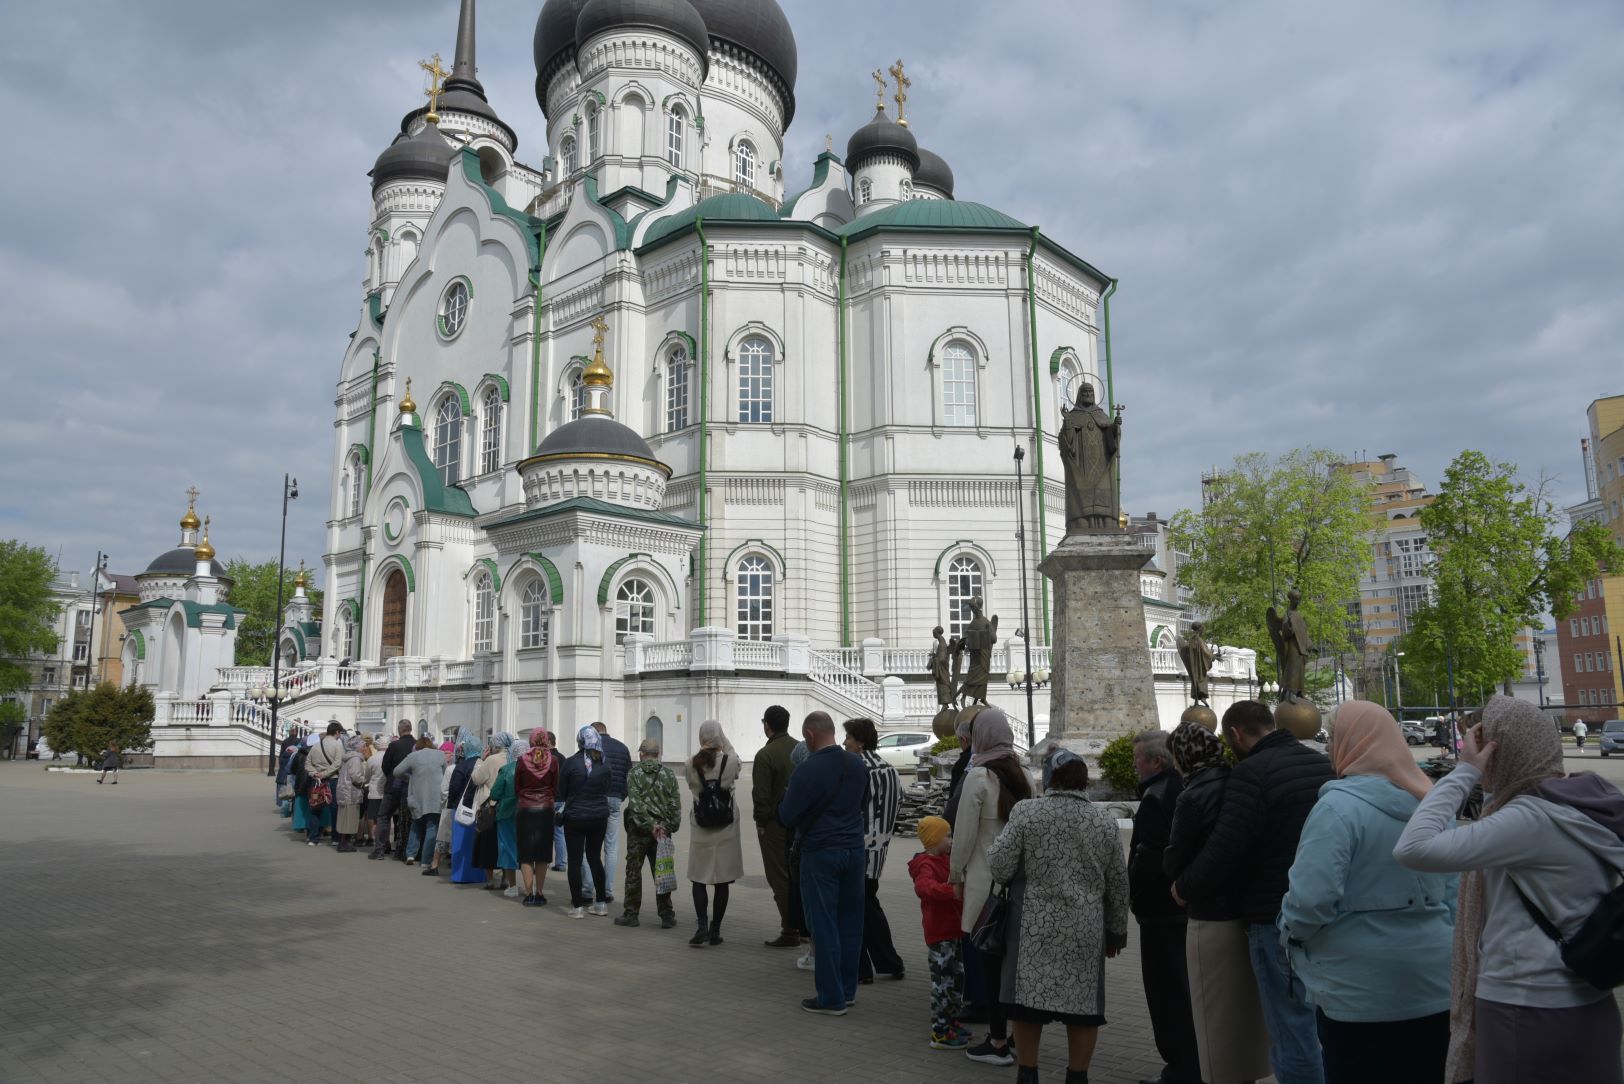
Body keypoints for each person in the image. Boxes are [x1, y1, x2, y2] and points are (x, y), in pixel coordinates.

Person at [1395, 694, 1624, 1084]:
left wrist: (1465, 771)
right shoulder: (1586, 801)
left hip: (1526, 1003)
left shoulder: (1529, 819)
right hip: (1590, 1000)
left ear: (1498, 751)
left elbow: (1412, 848)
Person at [1279, 701, 1455, 1084]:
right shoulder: (1433, 804)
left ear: (1352, 743)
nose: (1329, 747)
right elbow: (1455, 895)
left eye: (1333, 737)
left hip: (1358, 993)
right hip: (1435, 983)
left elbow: (1311, 900)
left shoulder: (1337, 809)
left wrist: (1289, 933)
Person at [1171, 700, 1333, 1084]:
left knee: (1291, 1028)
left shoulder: (1252, 772)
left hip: (1275, 916)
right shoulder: (1321, 764)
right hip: (1326, 912)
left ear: (1235, 734)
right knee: (1322, 1022)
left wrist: (1183, 888)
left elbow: (1226, 846)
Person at [987, 755, 1128, 1084]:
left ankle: (1028, 1074)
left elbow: (1000, 867)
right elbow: (1119, 883)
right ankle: (1077, 1077)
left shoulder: (1026, 812)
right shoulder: (1103, 821)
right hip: (1085, 929)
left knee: (1027, 1005)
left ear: (1050, 777)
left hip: (1032, 928)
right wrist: (1116, 931)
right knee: (1083, 1009)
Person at [1163, 722, 1272, 1084]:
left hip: (1210, 913)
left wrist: (1176, 876)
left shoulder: (1193, 795)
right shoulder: (1240, 782)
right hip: (1249, 907)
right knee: (1246, 1011)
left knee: (1214, 1017)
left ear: (1183, 756)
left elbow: (1175, 859)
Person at [950, 706, 1032, 1064]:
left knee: (988, 963)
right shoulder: (1024, 775)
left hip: (985, 884)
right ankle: (1018, 1036)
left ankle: (997, 1042)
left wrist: (955, 875)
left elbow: (964, 835)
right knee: (1014, 965)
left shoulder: (978, 777)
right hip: (1019, 884)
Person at [779, 711, 868, 1015]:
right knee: (851, 922)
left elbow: (787, 815)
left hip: (820, 851)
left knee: (824, 923)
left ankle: (831, 997)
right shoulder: (857, 764)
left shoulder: (806, 769)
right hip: (854, 849)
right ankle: (848, 989)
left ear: (809, 734)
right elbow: (863, 804)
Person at [1128, 729, 1200, 1084]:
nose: (1134, 765)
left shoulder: (1158, 797)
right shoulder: (1180, 787)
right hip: (1178, 908)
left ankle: (1182, 1069)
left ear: (1156, 762)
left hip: (1161, 911)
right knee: (1182, 991)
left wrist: (1132, 880)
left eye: (1137, 759)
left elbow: (1154, 856)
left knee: (1168, 994)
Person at [844, 717, 905, 982]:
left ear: (859, 742)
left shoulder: (857, 768)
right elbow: (900, 801)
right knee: (868, 904)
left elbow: (848, 807)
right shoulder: (890, 769)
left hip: (857, 847)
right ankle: (888, 962)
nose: (844, 742)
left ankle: (863, 968)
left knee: (855, 909)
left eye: (848, 737)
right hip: (880, 848)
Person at [911, 816, 970, 1050]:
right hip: (939, 933)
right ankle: (940, 1031)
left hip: (954, 930)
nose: (951, 840)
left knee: (956, 979)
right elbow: (923, 887)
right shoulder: (926, 864)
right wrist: (950, 891)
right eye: (947, 836)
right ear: (934, 839)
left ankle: (952, 1021)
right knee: (942, 982)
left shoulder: (947, 859)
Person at [685, 721, 744, 946]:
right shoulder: (730, 762)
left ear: (700, 738)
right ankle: (715, 930)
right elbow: (734, 757)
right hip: (726, 827)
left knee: (698, 878)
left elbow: (692, 786)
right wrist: (723, 740)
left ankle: (701, 925)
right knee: (722, 880)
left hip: (701, 826)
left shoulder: (690, 763)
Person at [616, 736, 682, 928]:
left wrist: (650, 825)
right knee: (662, 870)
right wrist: (666, 826)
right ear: (658, 754)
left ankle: (631, 913)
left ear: (641, 754)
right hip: (662, 832)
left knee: (633, 871)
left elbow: (635, 805)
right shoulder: (669, 774)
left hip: (638, 831)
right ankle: (667, 915)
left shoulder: (634, 774)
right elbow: (675, 805)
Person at [753, 704, 800, 947]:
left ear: (767, 725)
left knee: (779, 876)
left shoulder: (765, 755)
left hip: (775, 823)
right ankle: (805, 928)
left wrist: (761, 822)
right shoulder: (800, 748)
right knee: (798, 875)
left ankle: (790, 929)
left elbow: (761, 795)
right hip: (801, 823)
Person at [557, 724, 612, 918]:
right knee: (595, 858)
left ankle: (577, 907)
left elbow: (562, 791)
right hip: (599, 816)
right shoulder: (604, 763)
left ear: (580, 741)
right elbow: (607, 787)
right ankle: (601, 903)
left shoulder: (571, 763)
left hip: (575, 817)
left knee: (574, 861)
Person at [515, 729, 559, 907]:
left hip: (525, 809)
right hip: (545, 810)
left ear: (531, 741)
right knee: (542, 853)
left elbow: (517, 787)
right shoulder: (553, 760)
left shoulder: (521, 760)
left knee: (525, 854)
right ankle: (540, 893)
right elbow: (555, 786)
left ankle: (528, 894)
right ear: (546, 741)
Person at [592, 721, 631, 906]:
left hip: (595, 800)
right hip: (615, 799)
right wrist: (621, 795)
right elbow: (628, 776)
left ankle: (588, 888)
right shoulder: (622, 748)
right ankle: (607, 890)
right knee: (611, 847)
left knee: (591, 846)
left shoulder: (592, 747)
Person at [470, 732, 513, 891]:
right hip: (508, 807)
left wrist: (479, 761)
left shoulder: (491, 760)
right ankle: (506, 878)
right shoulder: (513, 758)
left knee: (488, 844)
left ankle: (490, 880)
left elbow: (476, 778)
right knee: (505, 843)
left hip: (490, 806)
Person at [394, 737, 446, 866]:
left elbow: (396, 772)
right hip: (435, 796)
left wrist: (409, 777)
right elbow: (445, 775)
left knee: (416, 824)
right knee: (432, 827)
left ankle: (410, 854)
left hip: (418, 796)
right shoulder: (441, 755)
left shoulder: (413, 756)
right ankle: (426, 860)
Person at [372, 720, 417, 860]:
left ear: (399, 730)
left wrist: (391, 776)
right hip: (410, 787)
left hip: (393, 786)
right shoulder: (417, 745)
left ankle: (380, 850)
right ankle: (405, 851)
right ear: (411, 729)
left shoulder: (394, 745)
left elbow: (385, 766)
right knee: (407, 819)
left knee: (384, 816)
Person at [447, 731, 487, 885]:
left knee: (460, 844)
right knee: (478, 845)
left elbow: (454, 788)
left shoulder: (461, 766)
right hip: (480, 810)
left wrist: (451, 805)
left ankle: (460, 876)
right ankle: (479, 875)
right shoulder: (484, 765)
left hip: (462, 809)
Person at [487, 735, 521, 897]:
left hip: (507, 813)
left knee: (508, 848)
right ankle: (531, 888)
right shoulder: (534, 769)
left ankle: (512, 885)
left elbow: (494, 793)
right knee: (527, 850)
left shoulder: (507, 769)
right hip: (529, 813)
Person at [303, 722, 345, 846]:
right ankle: (335, 838)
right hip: (332, 779)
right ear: (337, 732)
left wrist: (314, 773)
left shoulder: (316, 745)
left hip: (316, 781)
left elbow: (307, 763)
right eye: (340, 733)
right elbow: (338, 764)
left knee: (315, 808)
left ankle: (313, 838)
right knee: (334, 809)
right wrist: (325, 774)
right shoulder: (338, 745)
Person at [334, 734, 367, 853]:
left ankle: (343, 842)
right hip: (351, 792)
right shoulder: (356, 759)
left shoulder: (349, 757)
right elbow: (356, 777)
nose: (365, 748)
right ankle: (344, 843)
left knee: (345, 818)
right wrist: (365, 780)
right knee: (349, 818)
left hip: (345, 791)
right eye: (363, 746)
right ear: (357, 747)